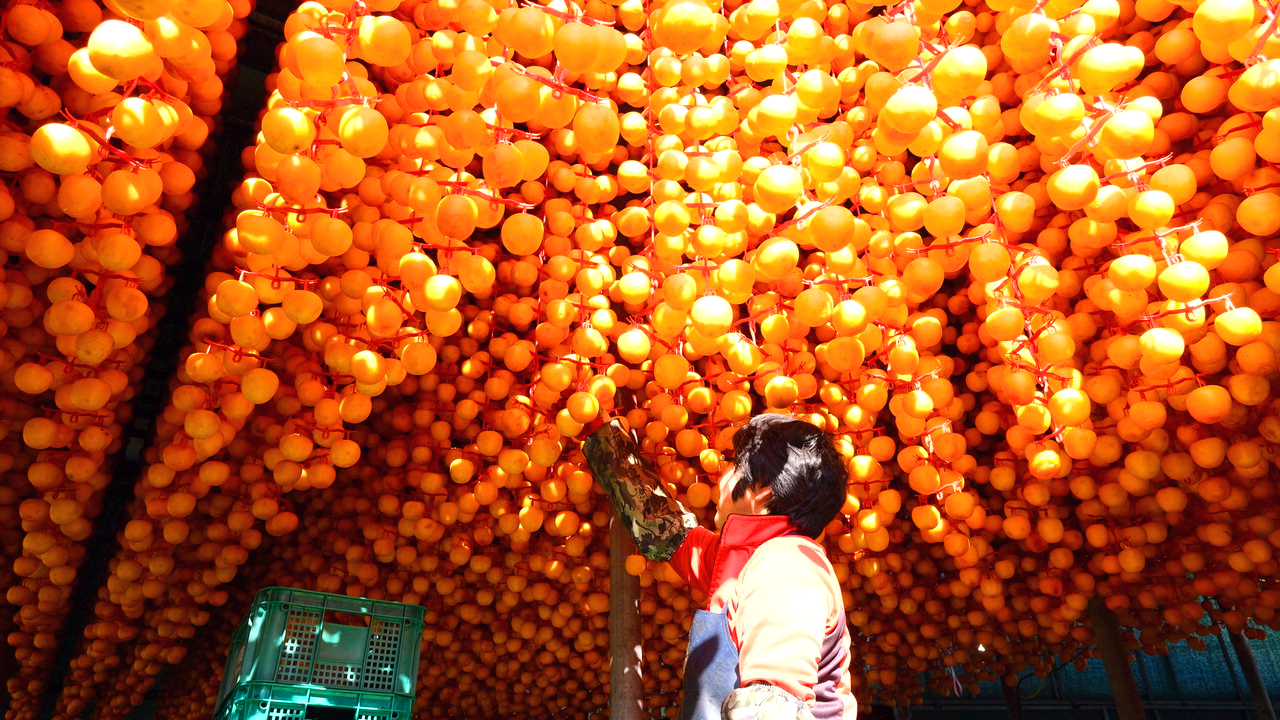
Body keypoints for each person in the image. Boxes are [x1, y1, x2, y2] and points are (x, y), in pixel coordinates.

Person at [584, 413, 857, 720]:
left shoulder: (785, 565)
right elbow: (664, 530)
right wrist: (603, 434)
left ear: (760, 491)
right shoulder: (748, 558)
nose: (720, 475)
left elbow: (772, 704)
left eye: (732, 463)